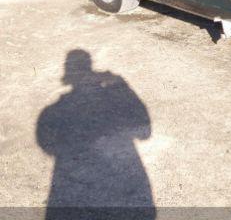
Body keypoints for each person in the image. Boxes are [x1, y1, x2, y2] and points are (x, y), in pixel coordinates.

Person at [36, 50, 155, 220]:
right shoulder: (54, 110)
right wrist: (121, 84)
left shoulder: (51, 111)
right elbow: (145, 133)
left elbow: (46, 143)